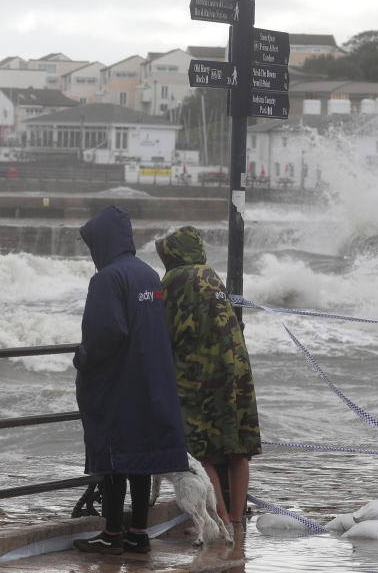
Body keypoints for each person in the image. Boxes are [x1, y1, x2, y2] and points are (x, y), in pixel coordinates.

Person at [72, 205, 189, 555]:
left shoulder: (107, 278)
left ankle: (111, 533)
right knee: (141, 457)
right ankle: (139, 531)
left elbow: (106, 333)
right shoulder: (148, 275)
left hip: (118, 383)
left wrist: (82, 358)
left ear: (103, 242)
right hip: (151, 378)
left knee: (113, 459)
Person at [155, 225, 262, 531]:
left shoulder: (175, 279)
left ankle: (222, 519)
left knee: (201, 451)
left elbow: (163, 329)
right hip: (237, 371)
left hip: (200, 374)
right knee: (237, 448)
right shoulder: (212, 275)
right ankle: (238, 521)